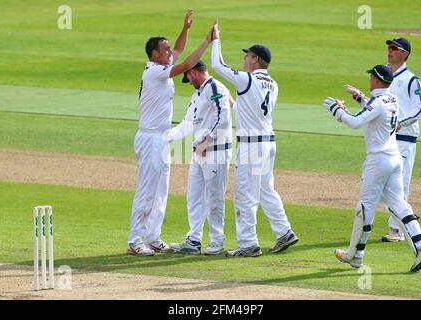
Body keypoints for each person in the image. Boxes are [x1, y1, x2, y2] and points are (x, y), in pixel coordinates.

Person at [323, 65, 421, 272]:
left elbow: (356, 122)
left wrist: (337, 110)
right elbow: (376, 110)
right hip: (394, 158)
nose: (370, 79)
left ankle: (354, 255)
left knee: (364, 209)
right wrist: (360, 98)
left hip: (378, 161)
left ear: (376, 80)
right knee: (398, 205)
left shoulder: (378, 102)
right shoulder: (393, 99)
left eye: (371, 76)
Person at [127, 10, 216, 256]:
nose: (169, 53)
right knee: (146, 190)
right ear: (154, 54)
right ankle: (135, 240)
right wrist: (206, 42)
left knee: (161, 191)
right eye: (165, 50)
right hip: (150, 138)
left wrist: (185, 30)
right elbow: (187, 64)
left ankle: (153, 236)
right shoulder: (154, 71)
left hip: (163, 137)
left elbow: (178, 51)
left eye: (168, 50)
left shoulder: (162, 64)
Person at [211, 21, 299, 258]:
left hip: (251, 145)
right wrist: (233, 102)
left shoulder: (247, 80)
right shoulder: (273, 84)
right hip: (268, 142)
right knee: (265, 190)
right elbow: (250, 108)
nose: (244, 60)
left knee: (245, 195)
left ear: (256, 60)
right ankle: (284, 231)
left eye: (247, 56)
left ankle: (248, 243)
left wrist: (215, 39)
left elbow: (217, 65)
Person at [346, 38, 421, 242]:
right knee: (378, 183)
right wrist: (361, 97)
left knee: (401, 184)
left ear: (405, 54)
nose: (389, 51)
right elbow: (380, 106)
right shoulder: (386, 76)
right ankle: (408, 232)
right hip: (387, 138)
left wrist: (402, 122)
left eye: (394, 49)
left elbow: (420, 108)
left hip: (405, 138)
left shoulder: (411, 79)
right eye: (389, 48)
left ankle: (397, 231)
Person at [167, 60, 232, 255]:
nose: (187, 80)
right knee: (194, 196)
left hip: (216, 151)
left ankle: (217, 241)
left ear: (193, 72)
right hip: (200, 153)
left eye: (187, 76)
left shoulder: (215, 87)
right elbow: (188, 123)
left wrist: (207, 140)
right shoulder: (197, 94)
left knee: (214, 198)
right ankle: (194, 240)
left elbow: (224, 118)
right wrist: (165, 138)